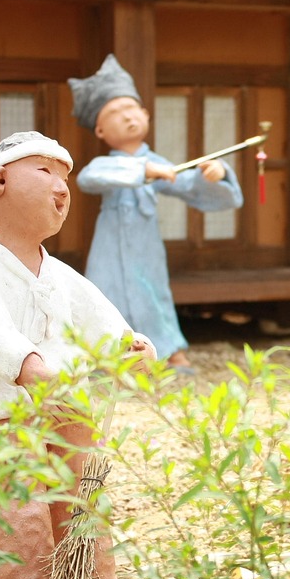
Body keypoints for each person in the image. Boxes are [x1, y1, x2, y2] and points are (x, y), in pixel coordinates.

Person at [0, 130, 156, 579]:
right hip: (6, 414)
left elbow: (100, 318)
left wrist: (127, 344)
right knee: (16, 515)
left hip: (69, 408)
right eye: (45, 173)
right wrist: (26, 363)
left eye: (65, 179)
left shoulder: (60, 273)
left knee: (82, 502)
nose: (62, 189)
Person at [69, 55, 243, 374]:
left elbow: (187, 183)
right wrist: (144, 170)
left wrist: (215, 174)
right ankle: (103, 357)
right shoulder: (112, 164)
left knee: (152, 290)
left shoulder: (159, 162)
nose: (127, 117)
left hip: (144, 241)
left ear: (146, 113)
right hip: (109, 243)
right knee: (104, 293)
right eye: (114, 113)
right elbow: (90, 177)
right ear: (100, 130)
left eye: (130, 108)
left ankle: (168, 351)